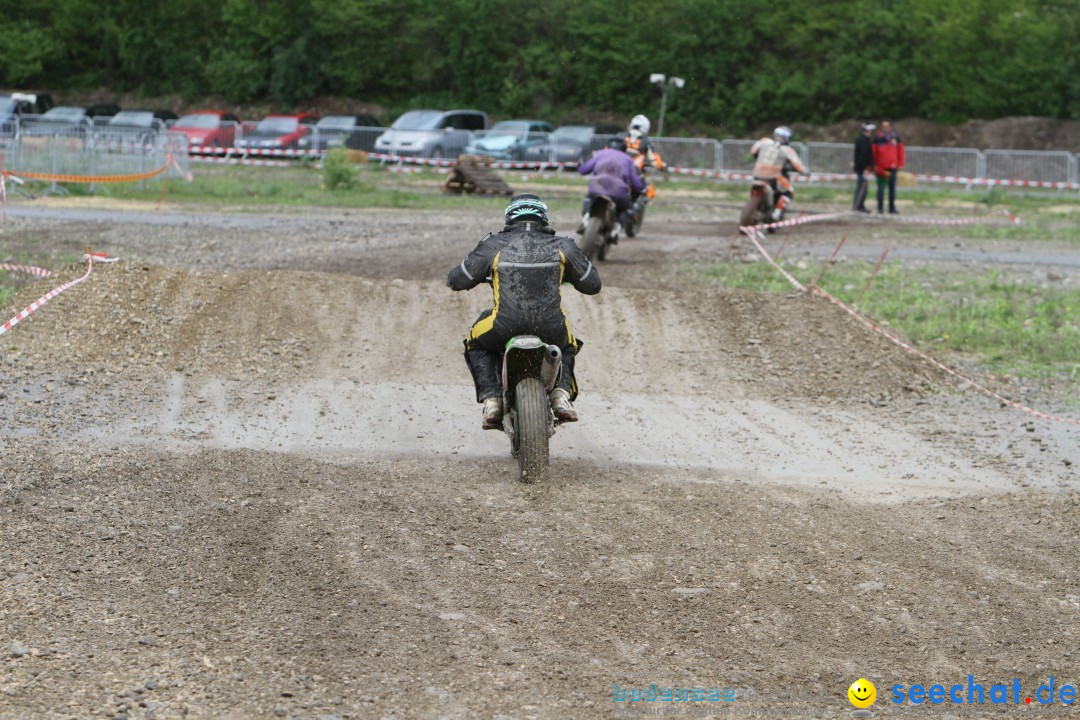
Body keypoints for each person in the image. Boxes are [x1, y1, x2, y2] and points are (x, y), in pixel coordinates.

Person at [446, 193, 602, 429]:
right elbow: (593, 285)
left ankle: (492, 399)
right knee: (568, 344)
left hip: (502, 325)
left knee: (474, 341)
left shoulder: (493, 244)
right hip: (551, 328)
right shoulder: (564, 245)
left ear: (509, 217)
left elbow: (457, 280)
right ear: (543, 218)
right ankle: (561, 395)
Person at [576, 140, 645, 240]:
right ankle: (617, 228)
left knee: (589, 198)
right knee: (627, 207)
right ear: (624, 149)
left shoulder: (600, 153)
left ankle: (585, 218)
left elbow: (583, 170)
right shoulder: (628, 160)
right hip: (618, 192)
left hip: (596, 187)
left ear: (607, 147)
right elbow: (636, 183)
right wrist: (640, 189)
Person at [750, 125, 808, 221]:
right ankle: (776, 213)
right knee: (789, 192)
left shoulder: (764, 141)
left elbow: (753, 151)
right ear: (787, 138)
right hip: (774, 177)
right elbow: (799, 166)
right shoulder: (787, 149)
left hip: (757, 175)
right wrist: (806, 172)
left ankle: (757, 208)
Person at [872, 119, 905, 214]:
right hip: (881, 168)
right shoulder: (877, 138)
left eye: (887, 126)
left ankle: (892, 208)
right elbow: (874, 153)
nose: (885, 128)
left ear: (890, 126)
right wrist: (874, 165)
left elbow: (900, 151)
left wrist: (900, 163)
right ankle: (880, 208)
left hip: (893, 167)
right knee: (881, 189)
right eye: (883, 126)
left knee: (892, 189)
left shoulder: (896, 137)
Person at [852, 122, 875, 212]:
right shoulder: (862, 140)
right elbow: (862, 156)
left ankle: (860, 205)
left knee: (863, 188)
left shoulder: (865, 140)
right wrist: (865, 168)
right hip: (862, 169)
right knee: (861, 188)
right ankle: (858, 206)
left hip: (864, 168)